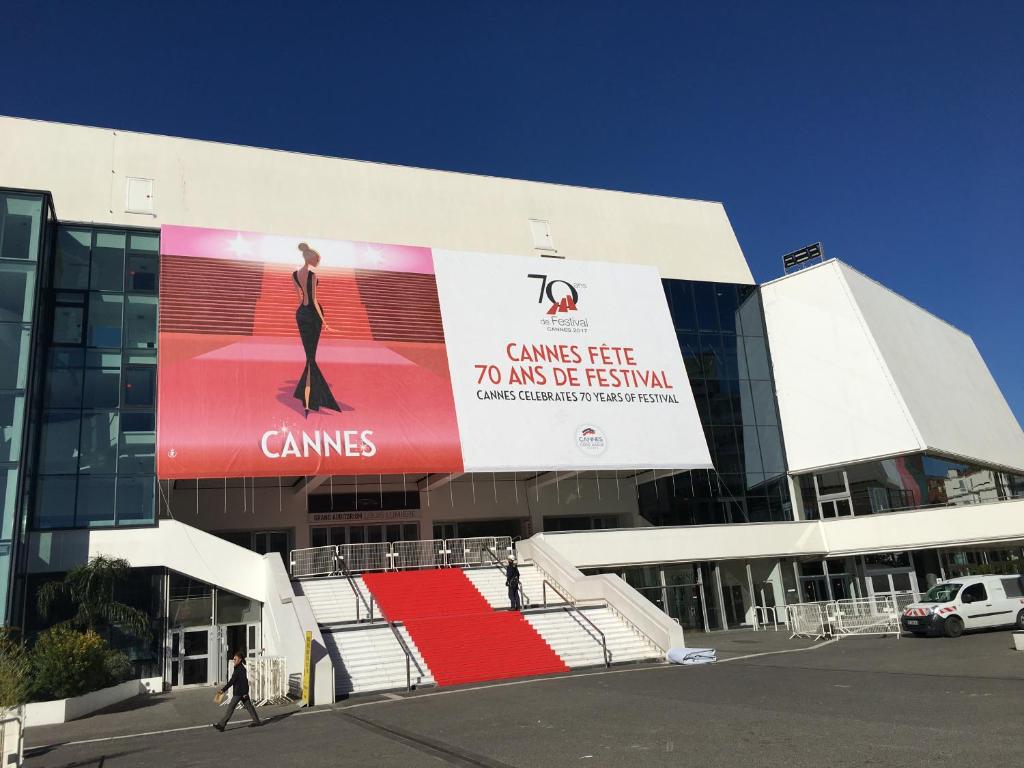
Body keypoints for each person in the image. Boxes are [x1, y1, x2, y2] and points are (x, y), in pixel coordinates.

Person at [293, 242, 341, 416]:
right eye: (317, 260)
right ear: (310, 259)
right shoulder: (312, 275)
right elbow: (313, 300)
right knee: (311, 357)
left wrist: (305, 312)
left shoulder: (295, 273)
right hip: (313, 315)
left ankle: (306, 396)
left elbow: (300, 298)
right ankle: (310, 401)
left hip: (301, 315)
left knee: (309, 357)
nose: (318, 262)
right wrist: (325, 322)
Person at [212, 653, 261, 731]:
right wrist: (223, 690)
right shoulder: (238, 668)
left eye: (235, 659)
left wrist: (245, 692)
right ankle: (257, 721)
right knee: (249, 706)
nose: (233, 660)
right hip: (241, 692)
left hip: (239, 692)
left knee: (230, 707)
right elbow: (233, 681)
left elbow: (243, 681)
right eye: (233, 659)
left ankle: (221, 725)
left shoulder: (241, 669)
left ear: (240, 660)